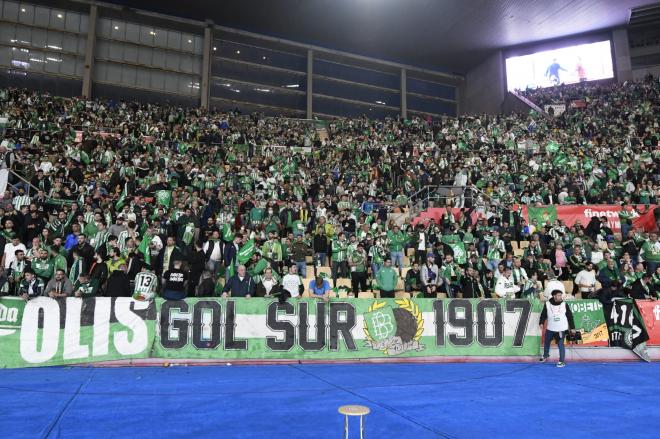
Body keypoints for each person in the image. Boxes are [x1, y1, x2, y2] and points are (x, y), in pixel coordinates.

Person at [539, 289, 576, 368]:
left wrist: (572, 327)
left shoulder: (564, 304)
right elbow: (543, 314)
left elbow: (570, 316)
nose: (560, 297)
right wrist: (541, 322)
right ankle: (545, 355)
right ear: (554, 296)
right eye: (559, 295)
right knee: (546, 342)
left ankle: (561, 361)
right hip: (550, 327)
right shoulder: (547, 304)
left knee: (560, 344)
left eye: (561, 295)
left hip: (561, 328)